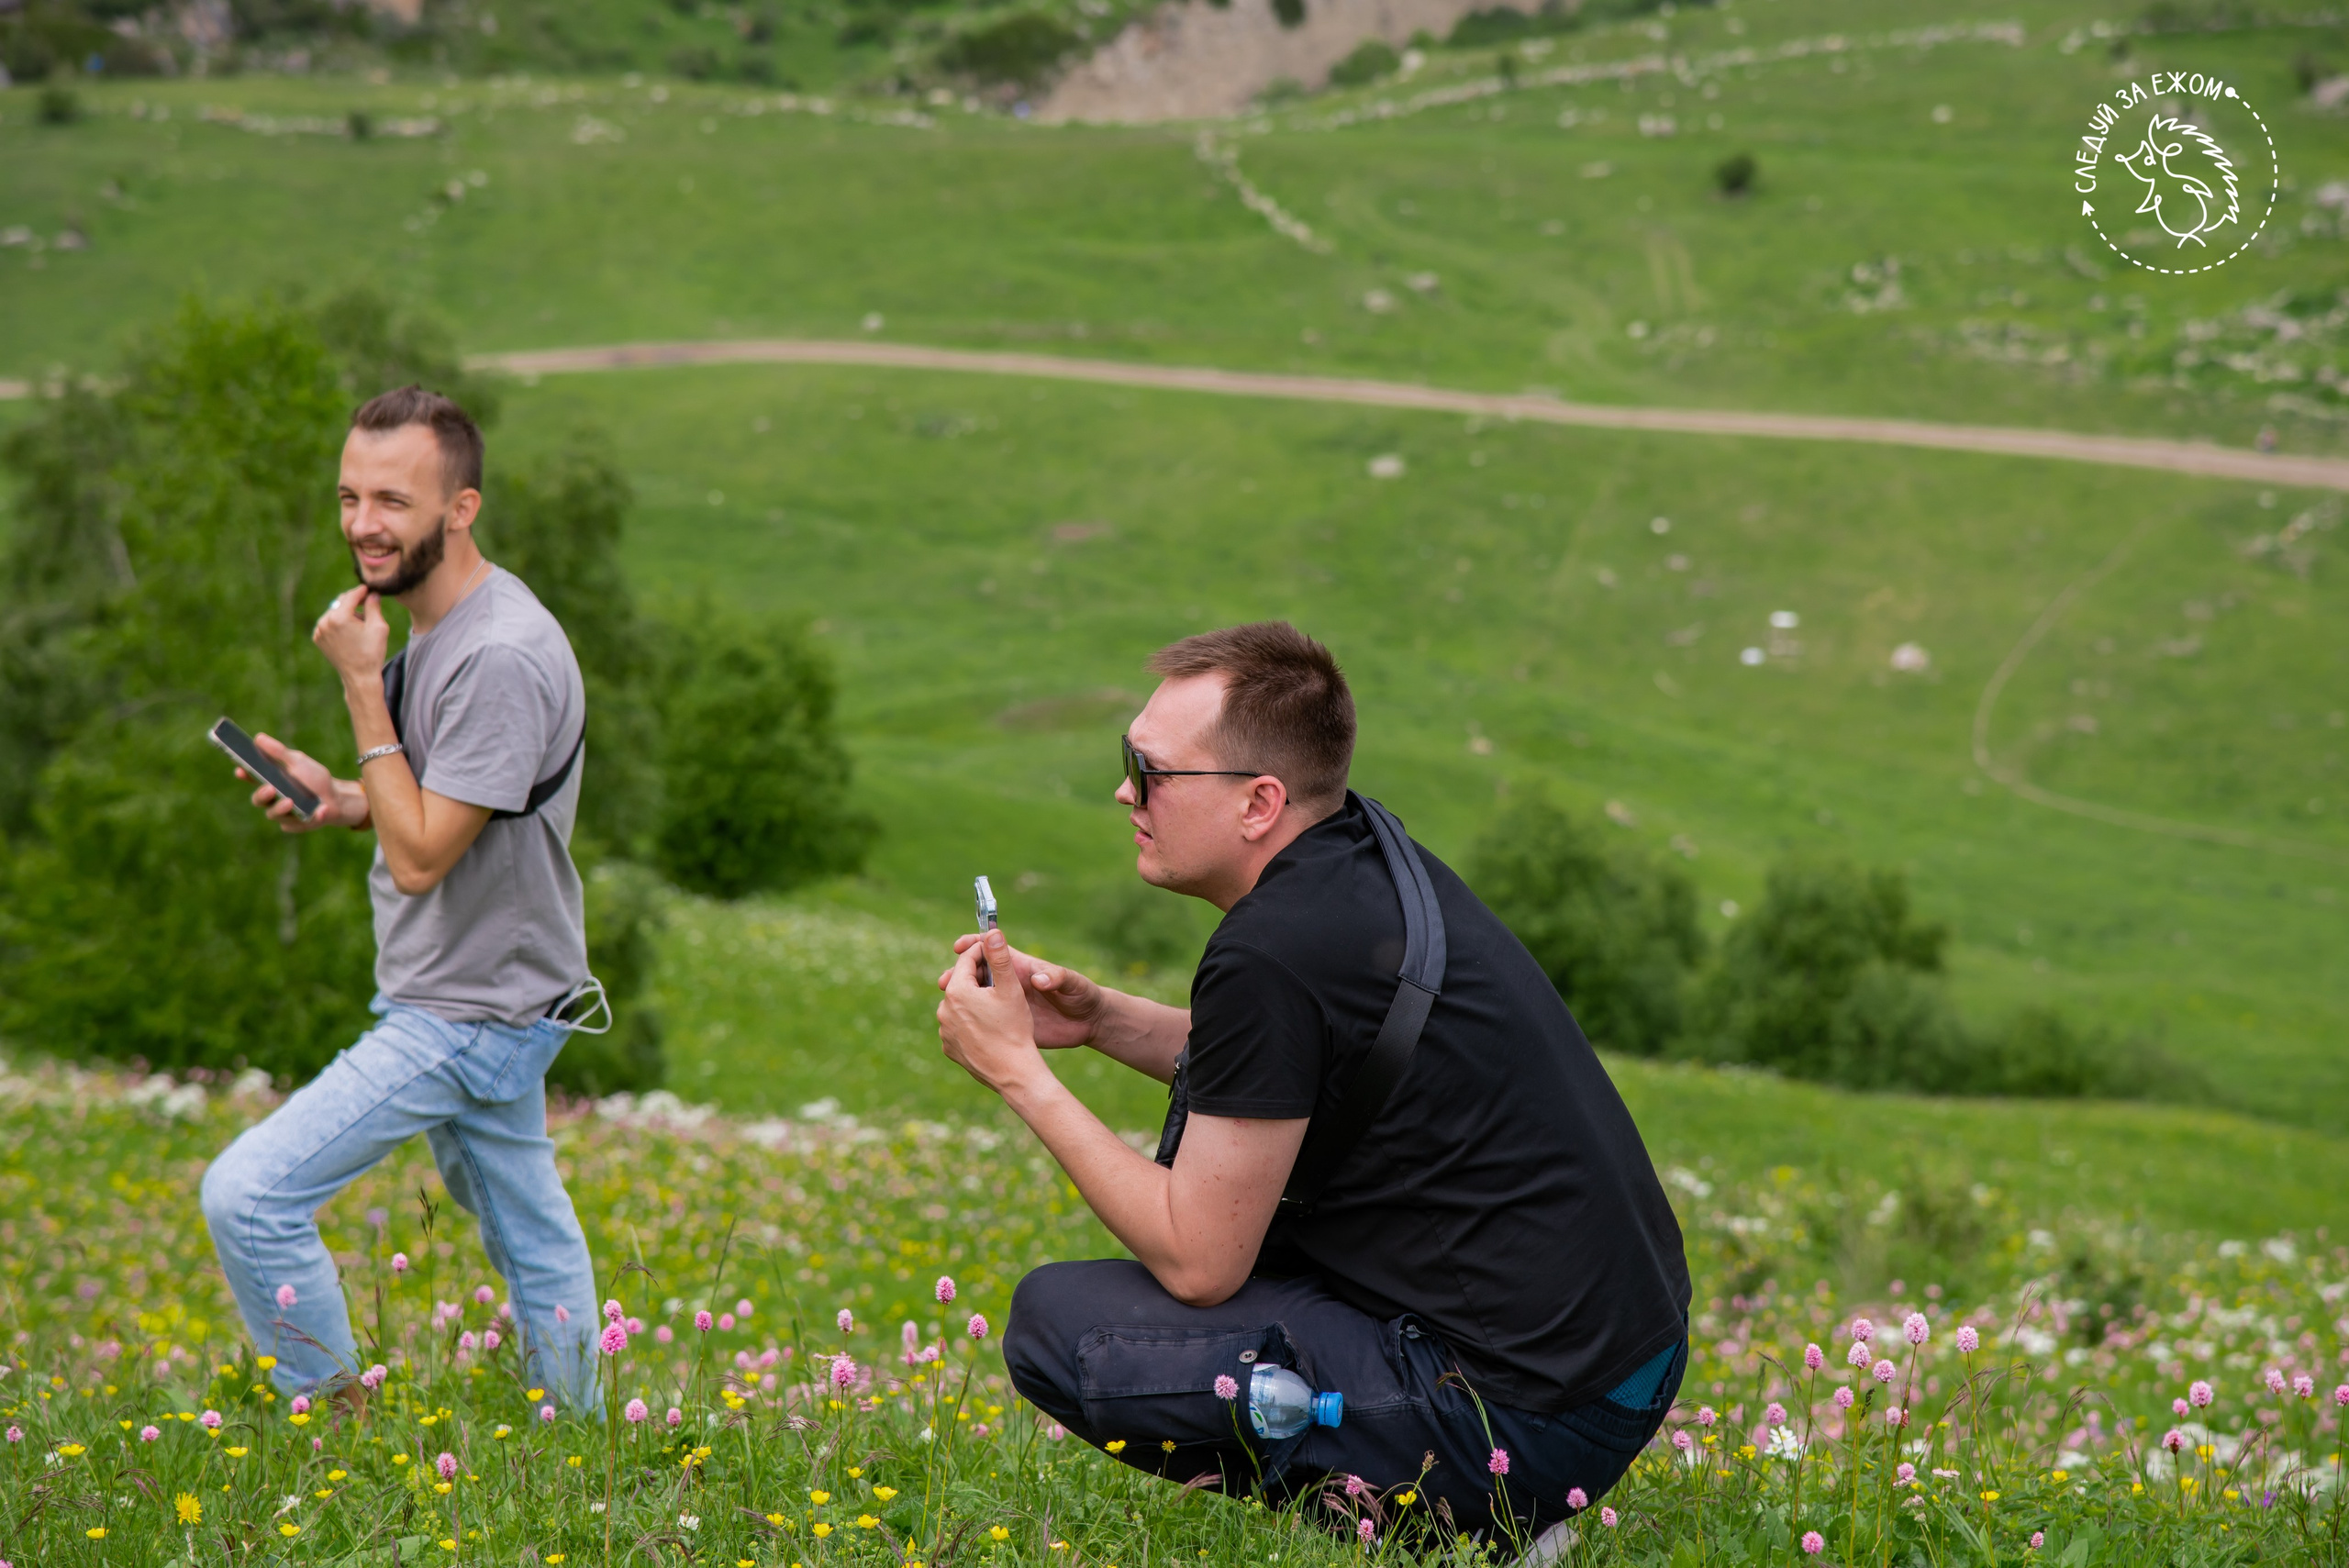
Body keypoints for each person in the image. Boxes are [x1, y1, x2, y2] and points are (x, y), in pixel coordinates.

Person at [934, 622, 1690, 1556]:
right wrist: (1098, 1021)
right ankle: (1458, 1485)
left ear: (1259, 801)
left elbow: (1196, 1258)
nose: (1125, 789)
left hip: (1528, 1415)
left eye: (1151, 768)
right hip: (1619, 1363)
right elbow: (1296, 1073)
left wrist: (1017, 1068)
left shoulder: (1272, 950)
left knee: (1066, 1329)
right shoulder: (1356, 855)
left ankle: (1465, 1523)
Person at [199, 385, 602, 1405]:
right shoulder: (446, 622)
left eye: (393, 501)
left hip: (468, 1009)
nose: (363, 525)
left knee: (249, 1194)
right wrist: (340, 797)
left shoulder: (499, 653)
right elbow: (445, 806)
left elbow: (423, 857)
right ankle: (586, 1438)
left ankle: (335, 1425)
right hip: (486, 985)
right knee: (528, 1228)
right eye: (348, 497)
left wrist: (359, 687)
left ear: (460, 507)